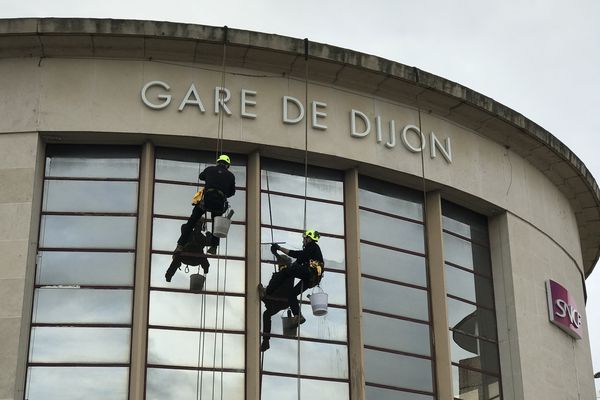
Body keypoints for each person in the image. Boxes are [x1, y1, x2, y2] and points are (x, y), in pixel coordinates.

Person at [260, 229, 325, 327]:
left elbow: (299, 256)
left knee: (285, 272)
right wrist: (278, 250)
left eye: (304, 239)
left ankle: (267, 291)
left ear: (309, 239)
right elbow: (297, 257)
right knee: (291, 295)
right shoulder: (311, 251)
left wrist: (280, 250)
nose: (303, 241)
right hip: (312, 279)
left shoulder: (312, 246)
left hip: (310, 273)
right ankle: (298, 316)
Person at [175, 154, 236, 255]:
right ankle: (213, 247)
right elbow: (232, 192)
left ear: (218, 162)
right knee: (217, 225)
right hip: (218, 204)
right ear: (228, 165)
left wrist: (211, 178)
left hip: (206, 201)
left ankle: (180, 245)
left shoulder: (210, 169)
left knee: (192, 222)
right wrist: (224, 192)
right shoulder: (231, 176)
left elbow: (201, 176)